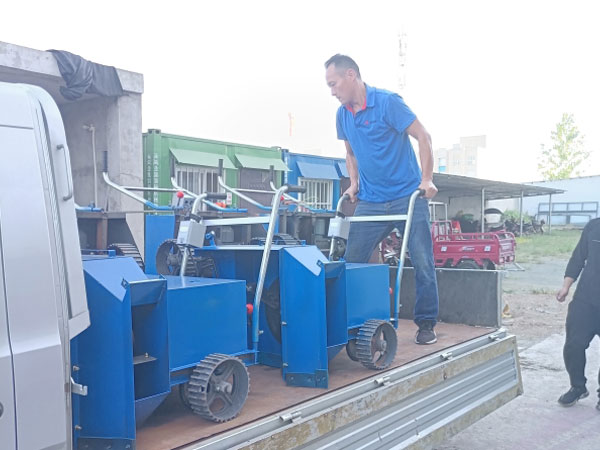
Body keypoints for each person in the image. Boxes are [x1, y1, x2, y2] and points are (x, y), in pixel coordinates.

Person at [324, 54, 439, 345]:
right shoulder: (342, 115)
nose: (332, 91)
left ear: (351, 75)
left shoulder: (388, 103)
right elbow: (350, 153)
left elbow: (423, 136)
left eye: (334, 84)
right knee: (351, 261)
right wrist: (354, 184)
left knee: (422, 261)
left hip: (407, 197)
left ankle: (426, 324)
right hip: (371, 200)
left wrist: (426, 180)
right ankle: (348, 324)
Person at [556, 217, 600, 409]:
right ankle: (577, 386)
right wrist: (566, 286)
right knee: (573, 345)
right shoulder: (594, 226)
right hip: (585, 299)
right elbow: (578, 258)